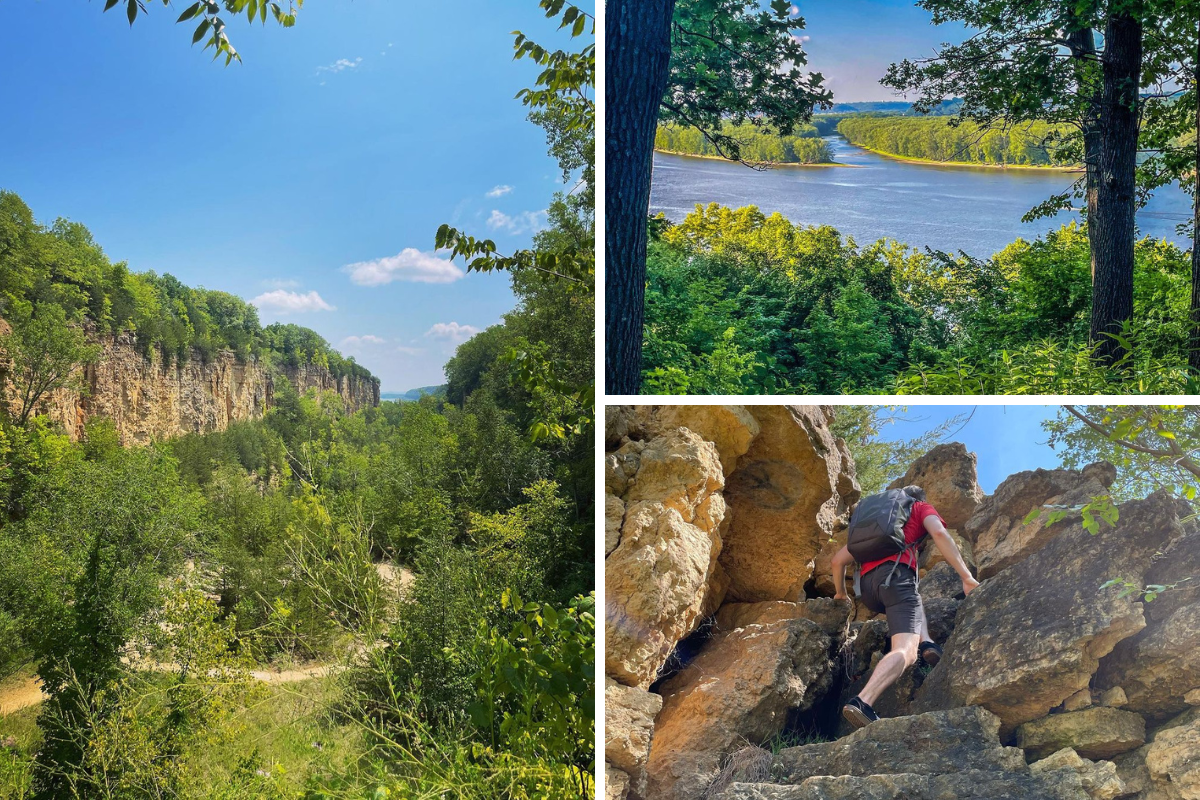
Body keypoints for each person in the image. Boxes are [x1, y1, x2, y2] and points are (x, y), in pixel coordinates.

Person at [831, 484, 979, 729]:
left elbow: (837, 561)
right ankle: (863, 702)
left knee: (914, 598)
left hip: (868, 591)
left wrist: (840, 593)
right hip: (897, 580)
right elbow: (940, 534)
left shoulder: (878, 522)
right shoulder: (920, 508)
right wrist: (966, 577)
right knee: (905, 651)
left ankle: (927, 641)